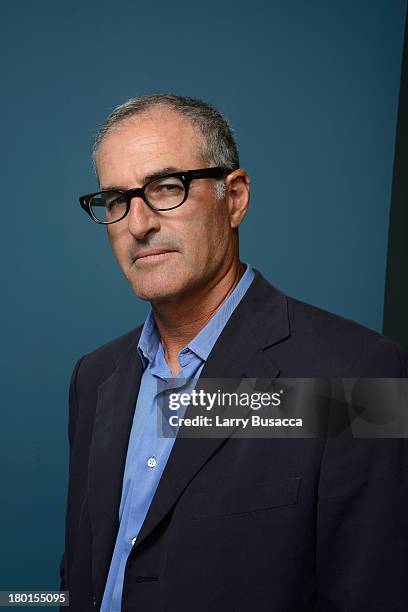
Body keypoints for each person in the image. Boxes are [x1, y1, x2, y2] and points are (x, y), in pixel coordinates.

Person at [60, 93, 408, 611]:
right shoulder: (94, 377)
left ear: (235, 197)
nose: (138, 224)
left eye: (166, 188)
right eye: (117, 200)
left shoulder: (358, 376)